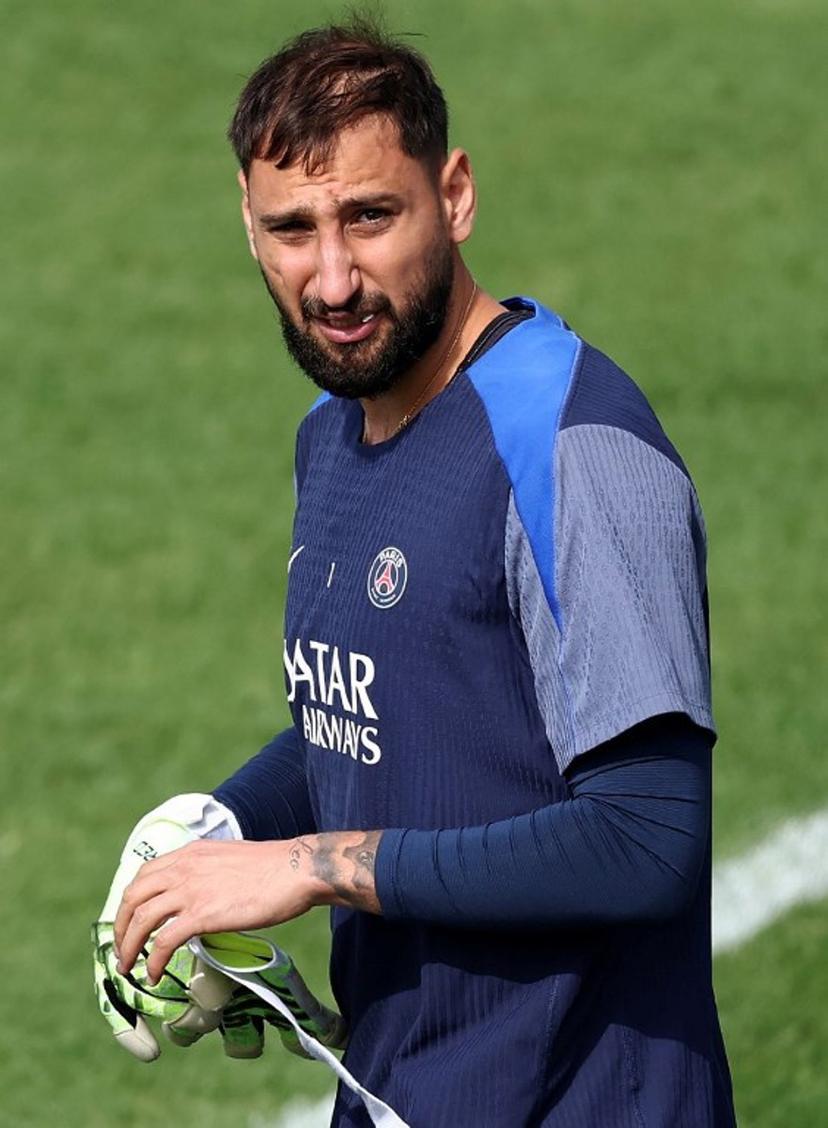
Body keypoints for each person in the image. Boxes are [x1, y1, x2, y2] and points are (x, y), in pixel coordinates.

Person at [109, 16, 736, 1126]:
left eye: (370, 216)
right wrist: (215, 829)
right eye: (292, 229)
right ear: (248, 225)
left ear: (454, 196)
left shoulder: (570, 444)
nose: (333, 279)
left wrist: (311, 867)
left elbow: (646, 839)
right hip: (405, 1093)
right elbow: (400, 720)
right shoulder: (333, 434)